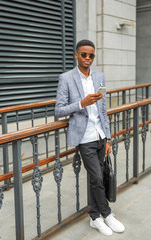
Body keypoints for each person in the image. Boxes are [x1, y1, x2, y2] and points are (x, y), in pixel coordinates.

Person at [55, 39, 125, 236]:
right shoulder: (66, 78)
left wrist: (108, 138)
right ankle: (107, 214)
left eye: (91, 55)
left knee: (99, 178)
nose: (87, 58)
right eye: (84, 54)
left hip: (100, 135)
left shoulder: (99, 76)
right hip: (84, 137)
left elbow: (103, 111)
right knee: (96, 177)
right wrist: (81, 103)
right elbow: (59, 110)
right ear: (76, 55)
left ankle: (95, 217)